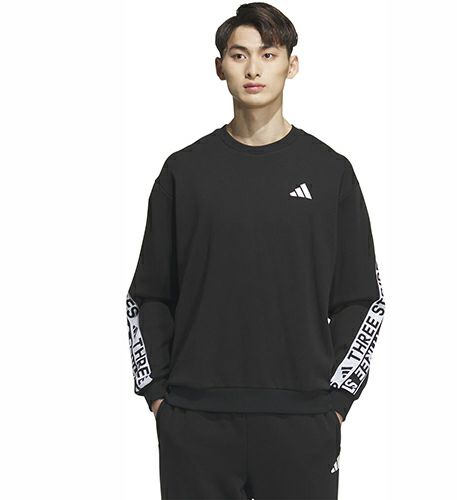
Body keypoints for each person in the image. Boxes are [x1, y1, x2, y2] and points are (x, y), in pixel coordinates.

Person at [126, 2, 386, 499]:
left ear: (291, 65)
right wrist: (158, 395)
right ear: (219, 66)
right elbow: (149, 295)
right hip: (196, 422)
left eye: (268, 54)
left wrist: (336, 399)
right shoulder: (184, 172)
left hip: (302, 422)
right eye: (238, 54)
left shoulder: (330, 172)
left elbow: (361, 298)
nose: (253, 69)